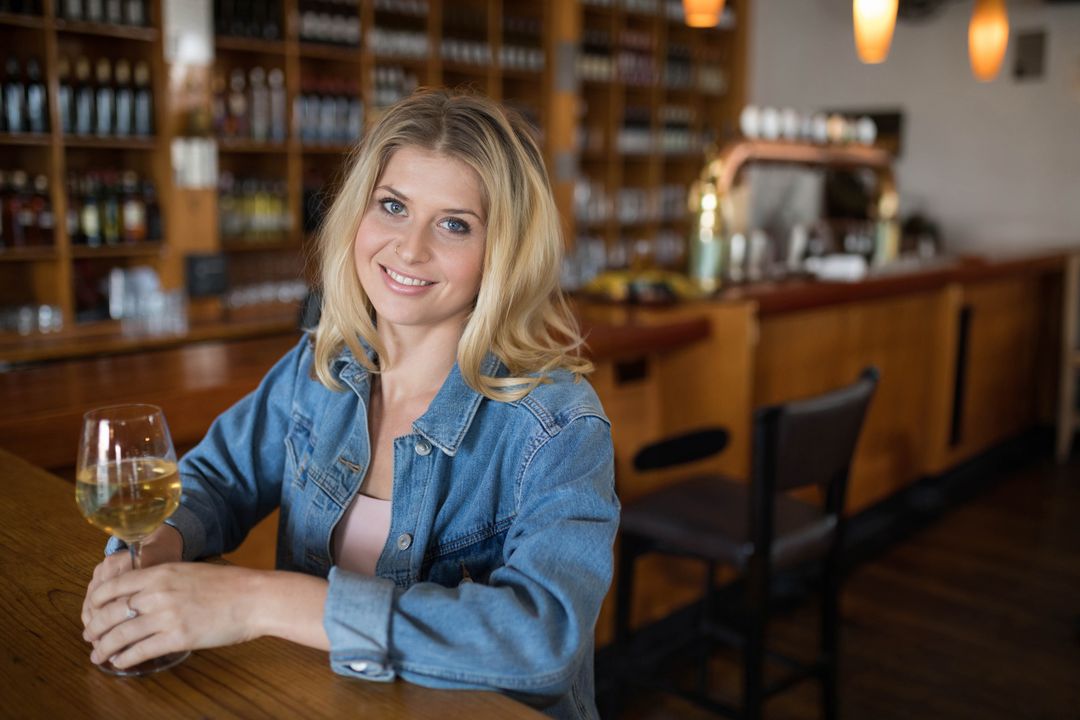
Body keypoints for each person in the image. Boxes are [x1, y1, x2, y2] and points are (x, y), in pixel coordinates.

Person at [81, 89, 619, 720]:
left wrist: (259, 602)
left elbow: (542, 638)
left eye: (454, 223)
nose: (410, 248)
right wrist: (156, 548)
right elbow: (216, 479)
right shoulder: (322, 367)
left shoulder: (557, 425)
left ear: (503, 250)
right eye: (392, 206)